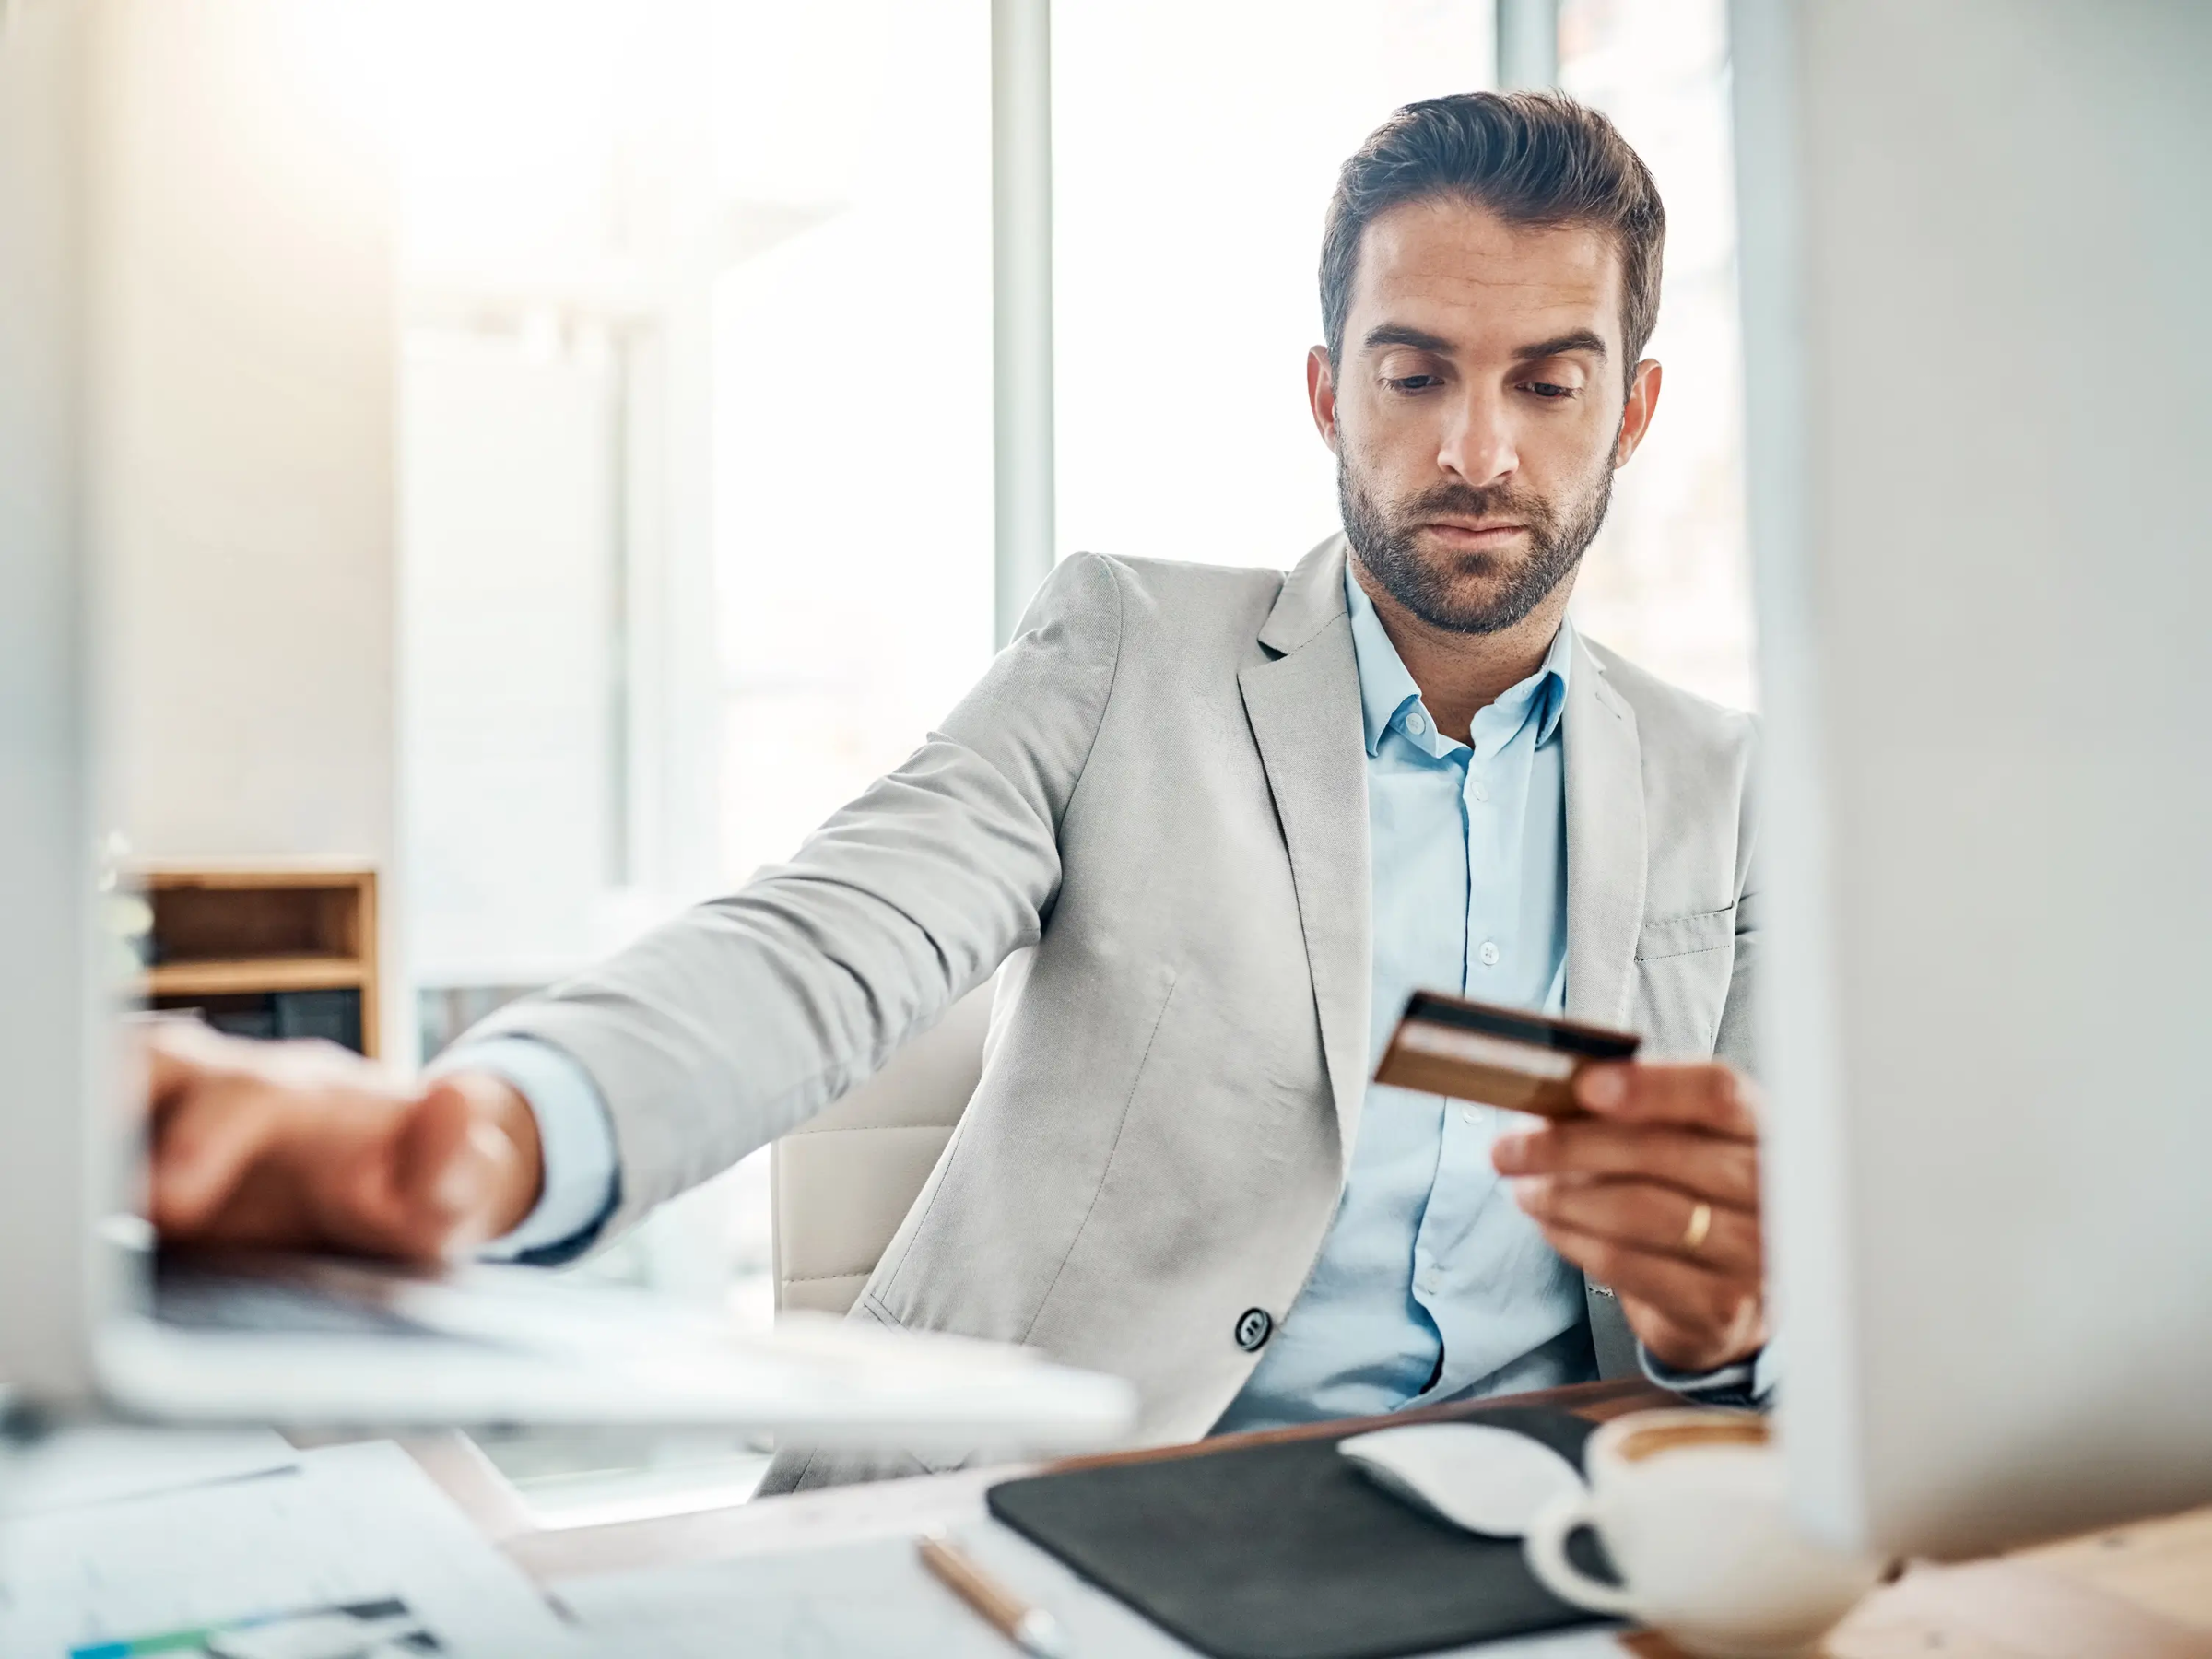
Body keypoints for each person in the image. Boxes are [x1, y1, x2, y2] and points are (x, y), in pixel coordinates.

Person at [143, 90, 1771, 1493]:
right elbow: (830, 935)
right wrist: (490, 1129)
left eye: (1548, 385)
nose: (1476, 451)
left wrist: (1724, 1324)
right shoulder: (1132, 648)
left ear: (1629, 409)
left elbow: (1776, 1278)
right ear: (1328, 392)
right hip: (1095, 1499)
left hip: (1541, 1512)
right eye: (1414, 375)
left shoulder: (1729, 787)